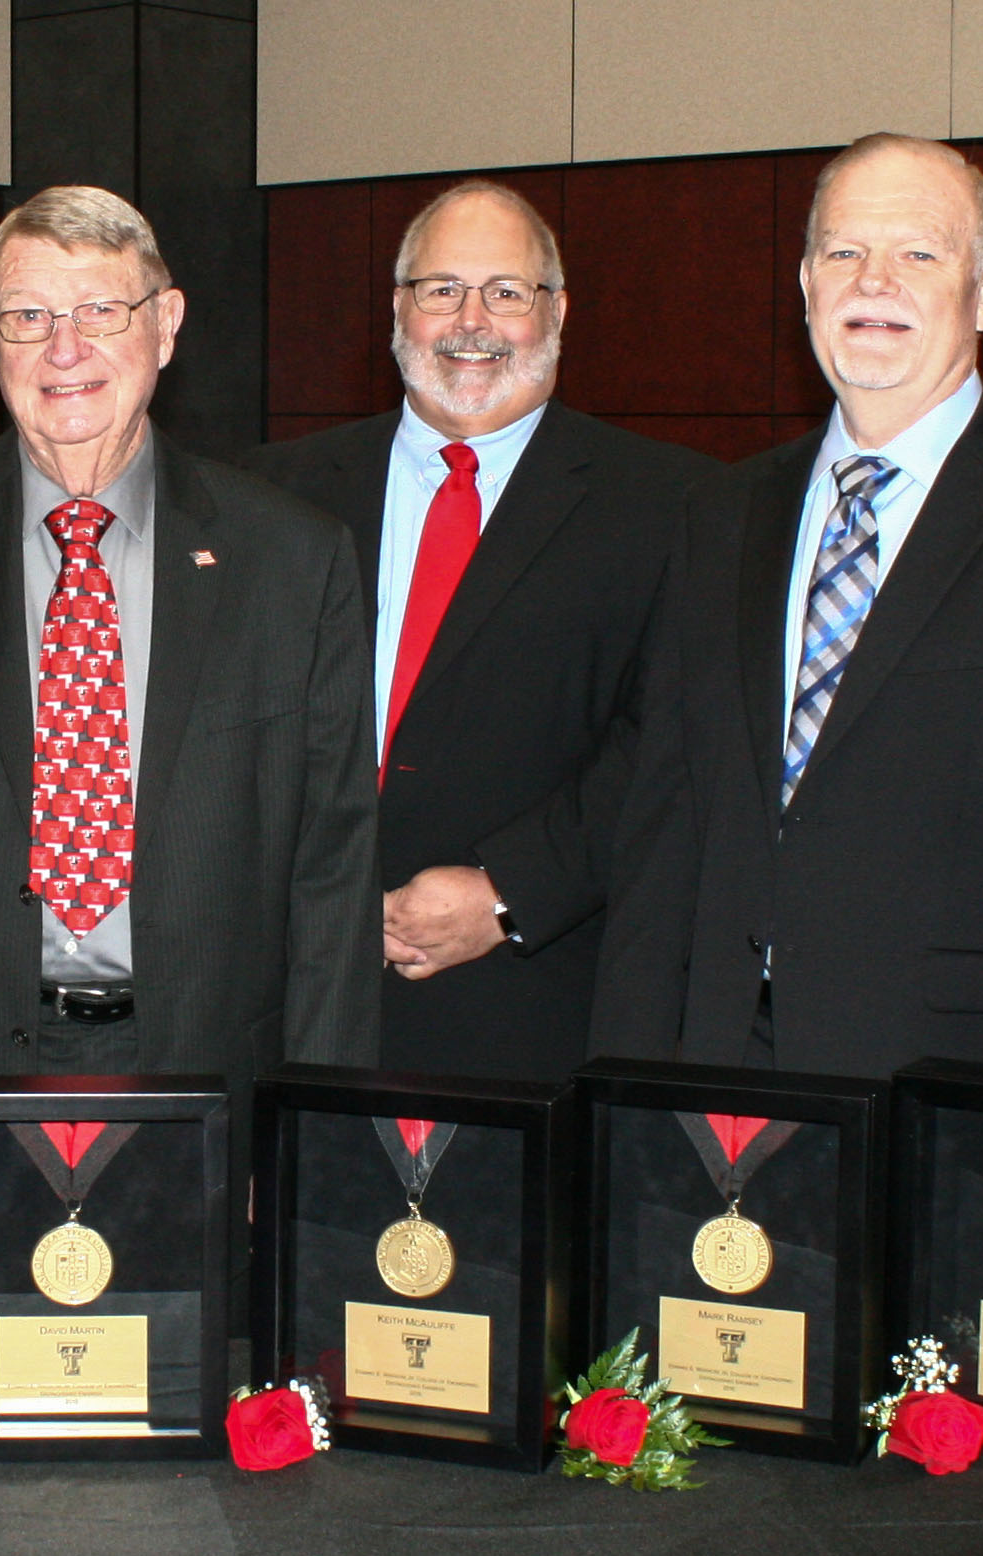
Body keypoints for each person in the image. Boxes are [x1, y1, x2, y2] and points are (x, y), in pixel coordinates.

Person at [0, 185, 381, 1275]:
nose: (65, 347)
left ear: (166, 323)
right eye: (28, 316)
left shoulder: (293, 561)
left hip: (212, 1089)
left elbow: (333, 884)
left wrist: (309, 1132)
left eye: (102, 312)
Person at [594, 134, 983, 1079]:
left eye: (918, 254)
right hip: (715, 1077)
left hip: (956, 1089)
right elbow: (664, 829)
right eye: (844, 252)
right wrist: (627, 1078)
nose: (872, 282)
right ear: (805, 283)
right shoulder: (721, 515)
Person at [251, 179, 706, 1082]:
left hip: (528, 1010)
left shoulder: (674, 506)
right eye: (441, 289)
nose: (472, 321)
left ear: (558, 311)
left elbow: (672, 744)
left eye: (507, 292)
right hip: (293, 1004)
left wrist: (508, 895)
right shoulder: (274, 494)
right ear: (397, 309)